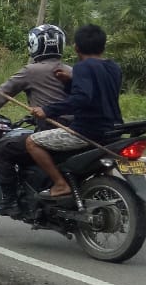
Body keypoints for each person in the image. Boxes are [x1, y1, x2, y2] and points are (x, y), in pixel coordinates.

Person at [0, 24, 71, 214]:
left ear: (34, 45)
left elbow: (2, 93)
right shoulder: (71, 70)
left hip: (51, 132)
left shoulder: (31, 71)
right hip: (76, 129)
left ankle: (9, 200)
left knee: (4, 147)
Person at [26, 24, 123, 199]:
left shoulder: (82, 67)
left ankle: (60, 184)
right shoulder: (114, 67)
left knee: (31, 142)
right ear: (103, 46)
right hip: (112, 131)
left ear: (76, 48)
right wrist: (70, 81)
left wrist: (47, 110)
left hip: (87, 132)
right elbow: (97, 93)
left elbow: (82, 99)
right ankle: (109, 192)